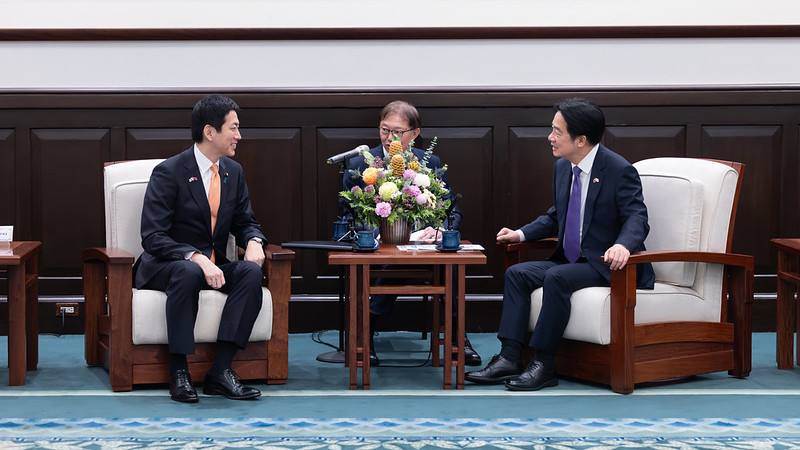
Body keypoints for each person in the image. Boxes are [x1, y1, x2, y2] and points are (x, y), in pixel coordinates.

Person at [465, 98, 655, 391]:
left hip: (603, 263)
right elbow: (557, 215)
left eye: (557, 131)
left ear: (580, 140)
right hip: (570, 260)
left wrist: (623, 246)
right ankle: (509, 357)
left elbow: (637, 217)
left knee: (556, 277)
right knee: (518, 274)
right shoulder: (564, 168)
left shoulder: (618, 169)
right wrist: (521, 234)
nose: (550, 137)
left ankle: (544, 362)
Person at [134, 95, 267, 403]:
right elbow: (152, 236)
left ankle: (221, 371)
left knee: (249, 272)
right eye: (233, 128)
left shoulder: (233, 172)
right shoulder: (169, 172)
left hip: (213, 264)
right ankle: (178, 370)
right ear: (210, 132)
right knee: (187, 271)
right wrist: (194, 257)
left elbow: (246, 222)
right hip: (167, 265)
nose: (239, 136)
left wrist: (255, 242)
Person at [342, 100, 481, 366]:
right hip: (380, 245)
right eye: (384, 130)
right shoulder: (360, 163)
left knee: (451, 265)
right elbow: (350, 213)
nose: (389, 137)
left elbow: (451, 207)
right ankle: (365, 335)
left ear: (414, 133)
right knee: (392, 259)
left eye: (397, 132)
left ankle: (456, 338)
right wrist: (378, 235)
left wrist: (442, 230)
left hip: (424, 244)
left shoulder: (429, 162)